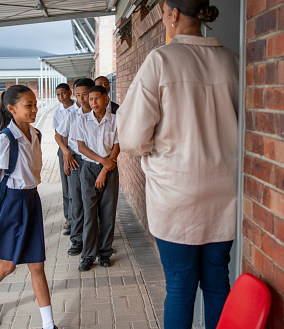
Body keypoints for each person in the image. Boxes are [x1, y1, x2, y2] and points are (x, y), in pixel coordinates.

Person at [116, 1, 239, 328]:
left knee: (181, 288)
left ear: (171, 14)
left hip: (176, 196)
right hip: (224, 194)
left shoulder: (161, 61)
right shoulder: (232, 62)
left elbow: (130, 138)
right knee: (217, 281)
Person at [0, 85, 56, 329]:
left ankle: (48, 325)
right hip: (14, 204)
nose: (35, 109)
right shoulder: (5, 139)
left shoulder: (35, 134)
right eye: (29, 106)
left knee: (37, 264)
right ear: (11, 109)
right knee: (8, 264)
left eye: (35, 104)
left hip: (31, 200)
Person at [73, 85, 120, 271]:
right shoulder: (82, 120)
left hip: (110, 169)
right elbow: (81, 147)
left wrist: (105, 168)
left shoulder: (115, 120)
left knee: (107, 213)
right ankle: (87, 256)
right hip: (89, 169)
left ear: (106, 99)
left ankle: (105, 253)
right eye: (90, 99)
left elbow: (117, 145)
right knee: (89, 213)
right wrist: (101, 162)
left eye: (97, 98)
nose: (93, 102)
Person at [56, 78, 95, 256]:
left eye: (85, 95)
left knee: (92, 202)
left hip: (93, 161)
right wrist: (65, 154)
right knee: (76, 200)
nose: (81, 99)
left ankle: (93, 239)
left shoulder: (98, 113)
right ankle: (77, 239)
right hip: (76, 160)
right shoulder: (72, 114)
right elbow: (59, 135)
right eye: (78, 95)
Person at [51, 83, 77, 236]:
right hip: (63, 149)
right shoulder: (57, 112)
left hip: (77, 149)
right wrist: (65, 153)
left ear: (70, 93)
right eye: (58, 95)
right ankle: (69, 219)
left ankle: (77, 218)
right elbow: (57, 134)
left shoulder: (77, 108)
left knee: (76, 186)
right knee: (66, 185)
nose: (61, 97)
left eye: (63, 93)